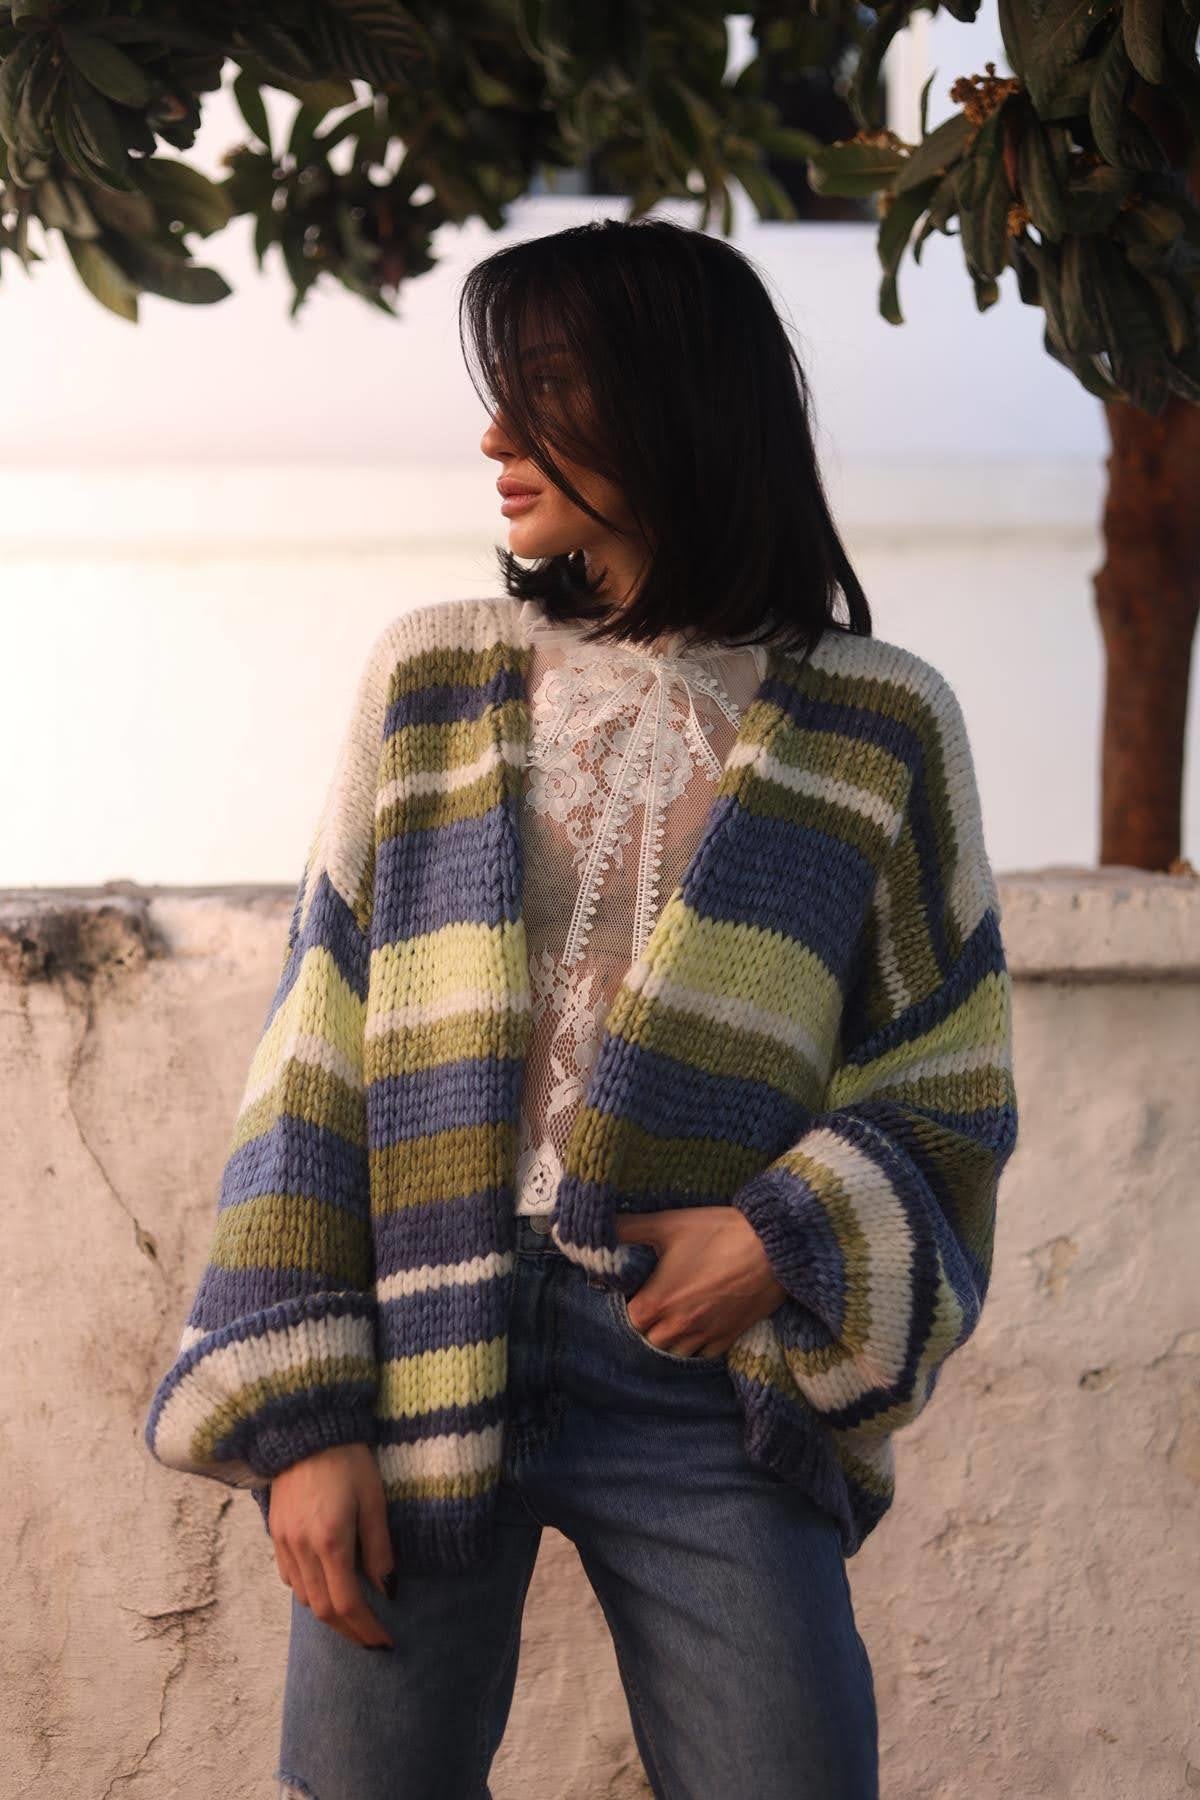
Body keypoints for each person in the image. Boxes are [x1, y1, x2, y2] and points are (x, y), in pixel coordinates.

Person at [143, 217, 1018, 1800]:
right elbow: (319, 1045)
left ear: (674, 400)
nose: (497, 437)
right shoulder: (432, 680)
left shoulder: (880, 723)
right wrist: (304, 1420)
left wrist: (785, 1235)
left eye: (544, 389)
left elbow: (946, 1076)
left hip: (703, 1380)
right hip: (420, 1342)